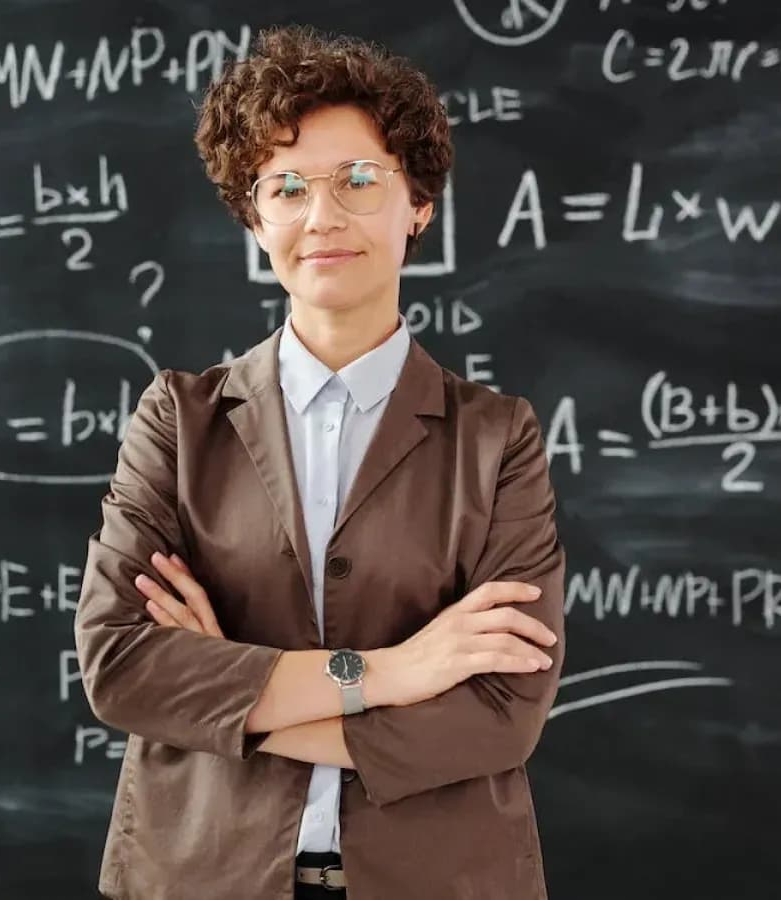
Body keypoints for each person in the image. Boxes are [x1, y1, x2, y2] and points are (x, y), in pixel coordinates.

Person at [74, 22, 566, 900]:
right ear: (254, 215)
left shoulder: (499, 437)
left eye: (360, 180)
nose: (323, 216)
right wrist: (392, 672)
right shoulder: (179, 421)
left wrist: (232, 697)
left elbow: (499, 715)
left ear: (417, 203)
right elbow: (123, 666)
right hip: (197, 876)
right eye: (287, 185)